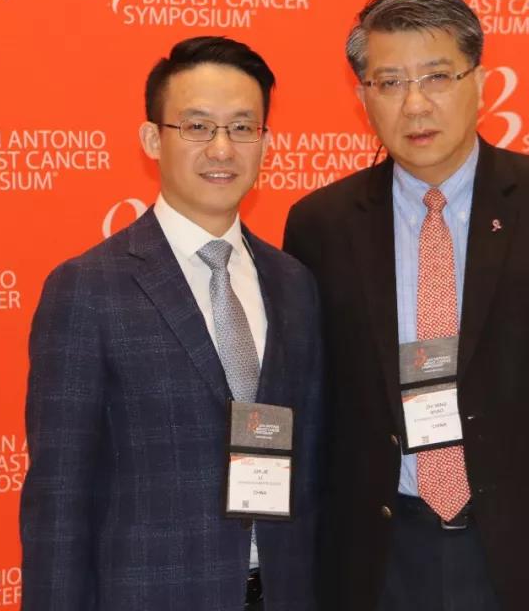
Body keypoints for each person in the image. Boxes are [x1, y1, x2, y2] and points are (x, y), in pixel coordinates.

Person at [283, 0, 529, 611]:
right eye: (390, 83)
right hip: (379, 551)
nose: (415, 104)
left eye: (437, 77)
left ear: (480, 83)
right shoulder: (321, 224)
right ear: (363, 97)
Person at [21, 36, 323, 611]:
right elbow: (58, 498)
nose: (221, 149)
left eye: (242, 128)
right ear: (153, 139)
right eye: (197, 126)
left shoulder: (294, 284)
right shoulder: (88, 288)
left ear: (265, 143)